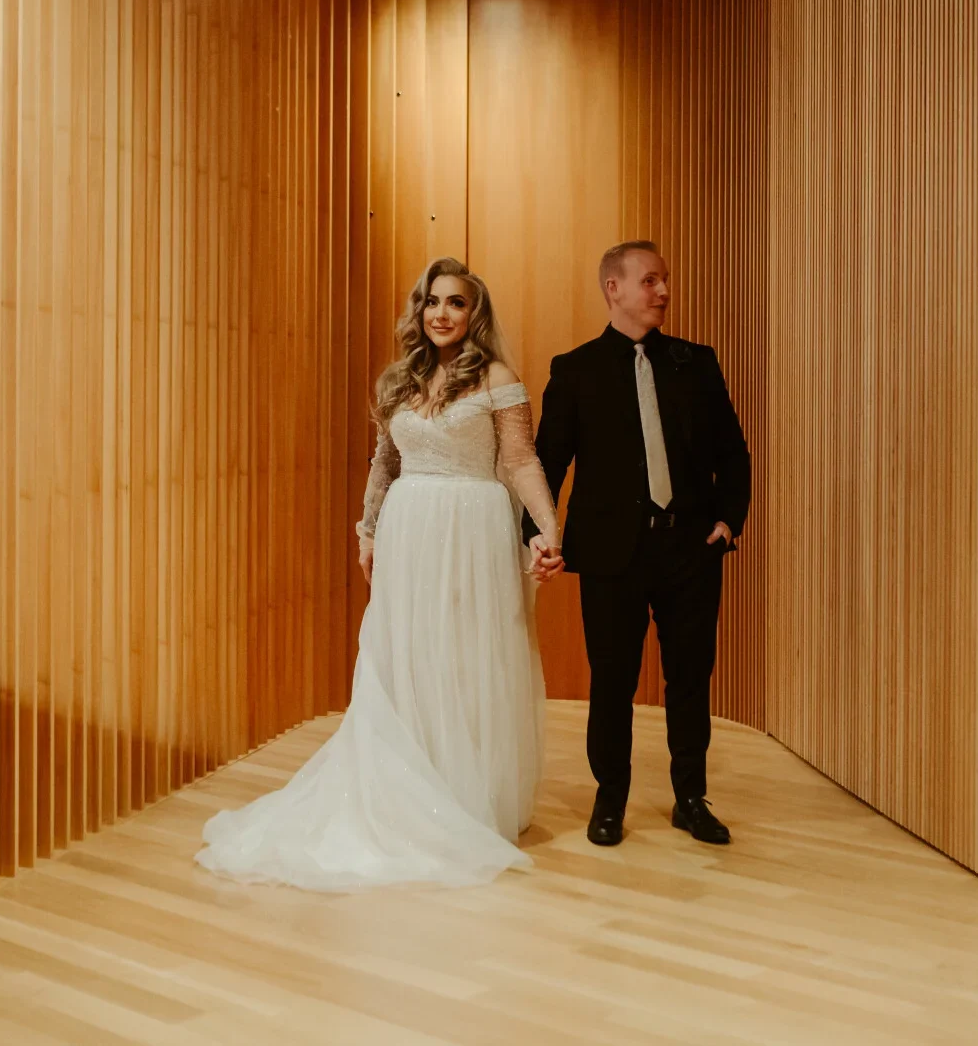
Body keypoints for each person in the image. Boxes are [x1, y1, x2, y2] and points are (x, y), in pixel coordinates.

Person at [196, 257, 561, 890]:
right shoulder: (398, 380)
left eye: (456, 303)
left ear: (476, 316)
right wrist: (368, 531)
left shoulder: (497, 376)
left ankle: (468, 795)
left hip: (474, 528)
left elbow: (521, 461)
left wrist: (549, 529)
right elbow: (383, 464)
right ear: (420, 311)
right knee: (406, 657)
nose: (442, 314)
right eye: (432, 302)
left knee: (470, 657)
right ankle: (406, 788)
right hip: (410, 529)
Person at [525, 241, 751, 847]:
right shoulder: (575, 370)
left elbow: (733, 451)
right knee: (613, 681)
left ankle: (690, 797)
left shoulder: (696, 364)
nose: (663, 292)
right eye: (649, 280)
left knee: (689, 678)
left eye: (665, 280)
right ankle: (610, 798)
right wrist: (537, 538)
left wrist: (729, 521)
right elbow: (547, 464)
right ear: (613, 289)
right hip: (610, 556)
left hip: (690, 551)